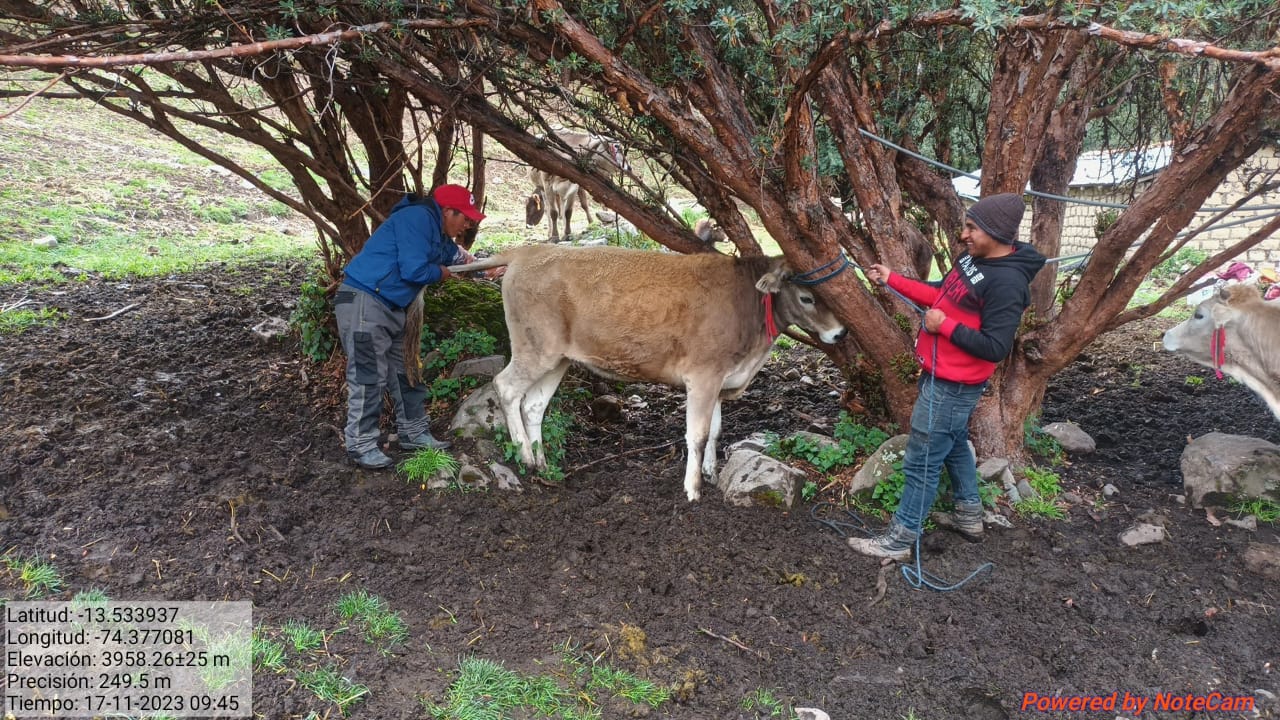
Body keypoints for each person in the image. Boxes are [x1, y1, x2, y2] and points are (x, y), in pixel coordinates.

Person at [848, 193, 1047, 561]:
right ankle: (969, 516)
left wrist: (946, 326)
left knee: (921, 460)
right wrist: (893, 280)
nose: (963, 234)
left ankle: (899, 539)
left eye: (972, 228)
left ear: (997, 232)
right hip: (939, 376)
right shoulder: (973, 260)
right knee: (954, 443)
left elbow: (995, 347)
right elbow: (940, 292)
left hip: (953, 387)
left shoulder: (1007, 284)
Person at [334, 184, 484, 469]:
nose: (467, 223)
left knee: (406, 369)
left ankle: (414, 432)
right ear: (446, 211)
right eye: (463, 216)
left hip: (390, 305)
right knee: (369, 375)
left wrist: (482, 265)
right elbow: (414, 269)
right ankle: (361, 445)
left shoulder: (436, 231)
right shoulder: (417, 219)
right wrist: (441, 273)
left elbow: (454, 255)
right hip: (366, 302)